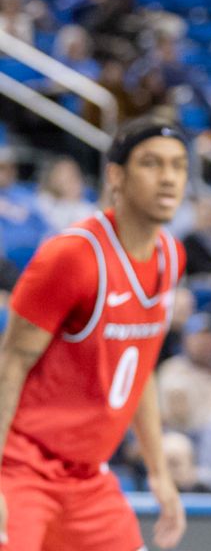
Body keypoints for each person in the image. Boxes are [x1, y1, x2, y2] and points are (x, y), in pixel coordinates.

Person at [0, 116, 189, 549]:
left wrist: (160, 474)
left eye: (178, 166)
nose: (168, 179)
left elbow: (140, 369)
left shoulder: (170, 256)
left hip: (88, 476)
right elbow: (9, 366)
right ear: (115, 176)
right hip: (21, 465)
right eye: (152, 164)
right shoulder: (72, 256)